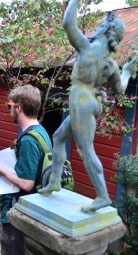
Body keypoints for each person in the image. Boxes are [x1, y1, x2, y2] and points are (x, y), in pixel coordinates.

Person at [38, 0, 138, 212]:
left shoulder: (87, 47)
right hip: (88, 101)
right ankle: (55, 181)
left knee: (85, 150)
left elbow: (68, 24)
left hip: (81, 101)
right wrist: (127, 71)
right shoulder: (110, 63)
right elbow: (120, 89)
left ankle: (102, 195)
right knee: (58, 138)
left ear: (105, 29)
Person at [0, 85, 52, 255]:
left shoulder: (29, 141)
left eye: (9, 106)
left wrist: (1, 169)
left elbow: (26, 183)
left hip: (19, 213)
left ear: (19, 107)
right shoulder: (40, 131)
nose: (8, 111)